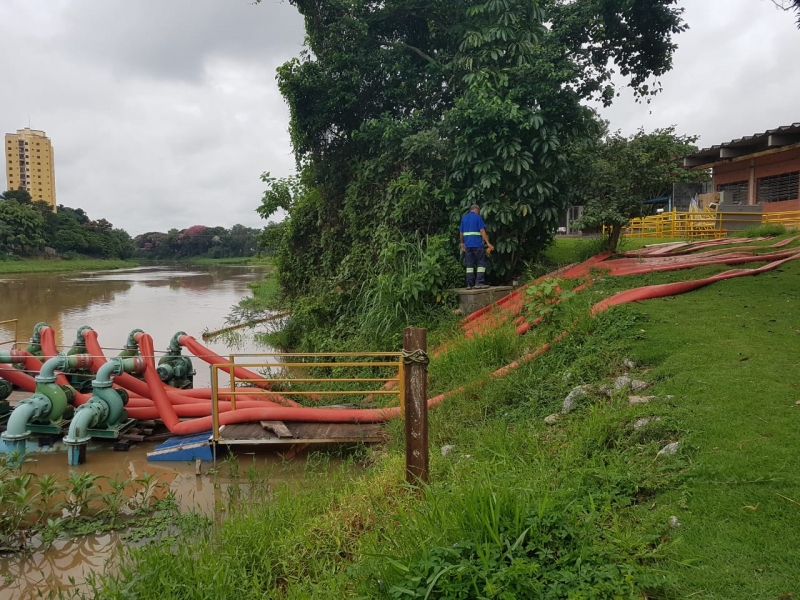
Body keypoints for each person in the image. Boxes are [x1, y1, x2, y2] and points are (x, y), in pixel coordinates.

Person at [459, 204, 494, 289]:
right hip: (477, 244)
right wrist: (488, 243)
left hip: (467, 245)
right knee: (481, 263)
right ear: (477, 210)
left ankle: (469, 284)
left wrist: (462, 243)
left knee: (469, 265)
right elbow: (482, 230)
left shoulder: (464, 218)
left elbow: (461, 233)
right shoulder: (478, 218)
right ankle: (479, 282)